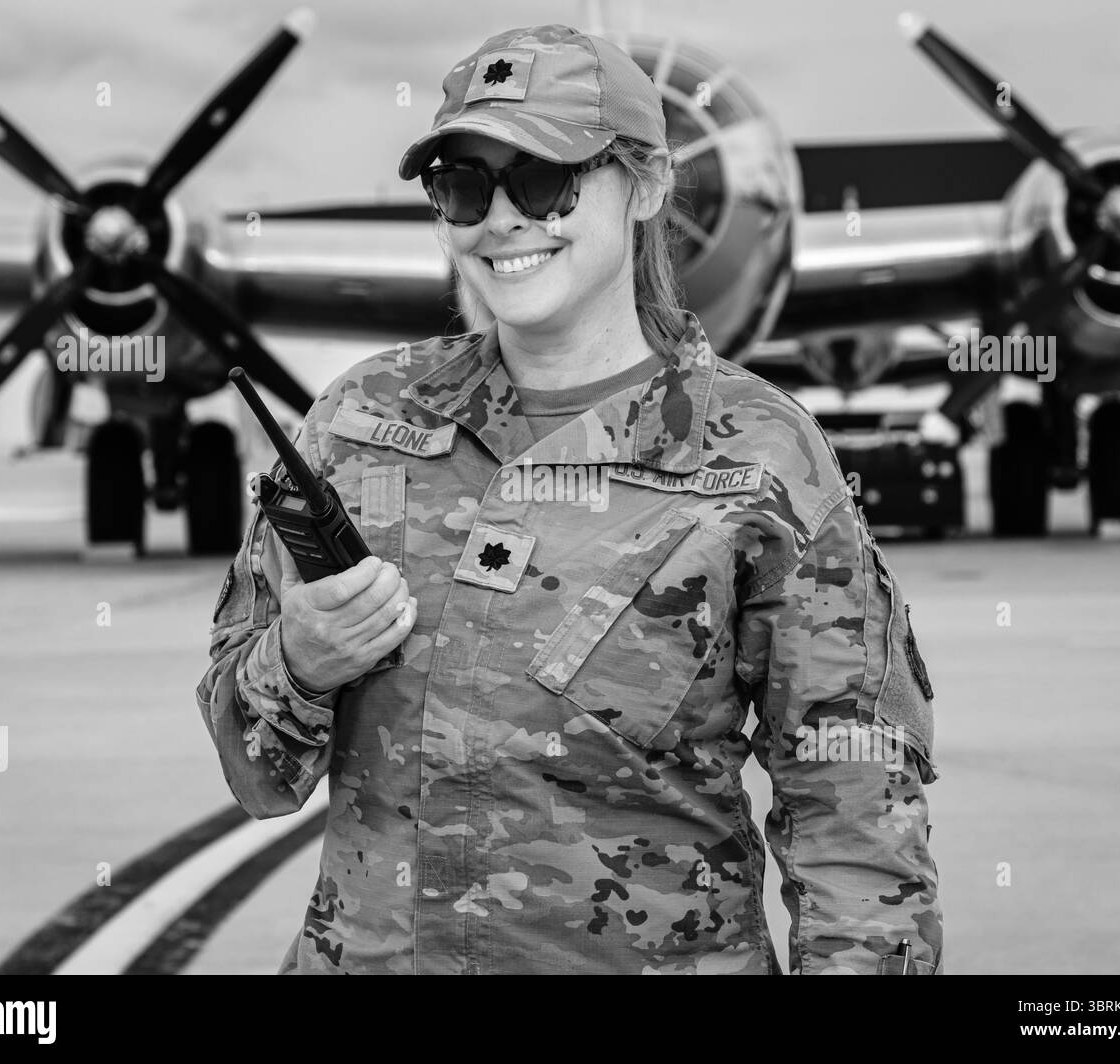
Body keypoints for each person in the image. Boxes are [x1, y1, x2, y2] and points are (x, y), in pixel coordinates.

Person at [196, 23, 943, 975]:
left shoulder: (764, 460)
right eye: (464, 187)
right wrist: (297, 663)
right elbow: (256, 775)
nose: (502, 219)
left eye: (545, 179)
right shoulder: (358, 421)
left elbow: (856, 825)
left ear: (647, 184)